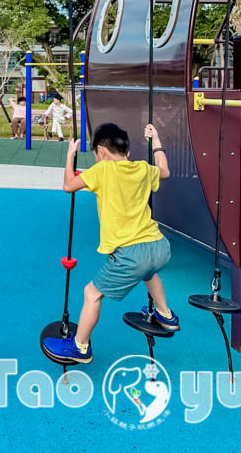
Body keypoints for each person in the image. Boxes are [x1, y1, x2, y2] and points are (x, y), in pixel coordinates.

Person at [41, 123, 177, 365]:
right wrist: (155, 139)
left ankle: (80, 348)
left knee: (91, 294)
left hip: (130, 254)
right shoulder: (143, 169)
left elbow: (68, 185)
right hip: (159, 246)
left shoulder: (102, 170)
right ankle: (166, 314)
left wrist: (70, 156)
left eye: (95, 153)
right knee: (150, 272)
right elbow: (164, 170)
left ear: (101, 151)